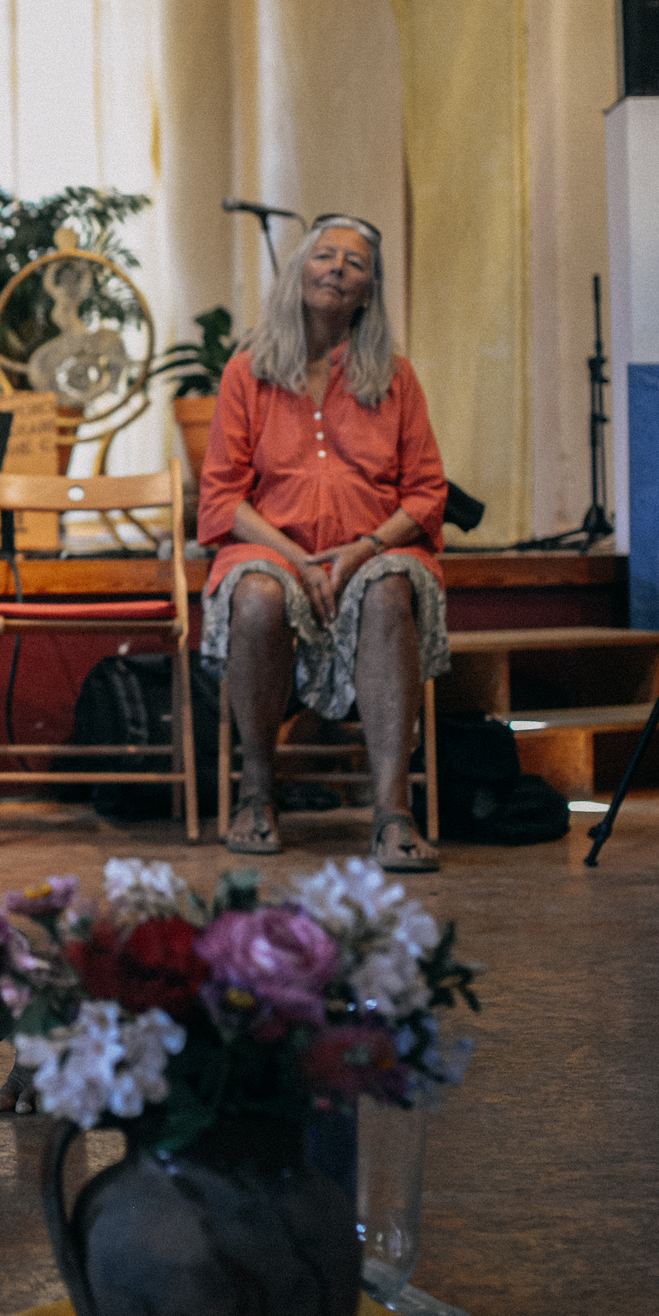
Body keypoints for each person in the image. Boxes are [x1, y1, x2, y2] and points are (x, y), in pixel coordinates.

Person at [198, 215, 447, 872]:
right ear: (299, 273)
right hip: (271, 549)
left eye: (355, 263)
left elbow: (426, 494)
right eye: (325, 255)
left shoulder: (396, 377)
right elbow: (222, 496)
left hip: (374, 548)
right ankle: (256, 793)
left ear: (368, 292)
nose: (337, 267)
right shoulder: (247, 371)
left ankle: (392, 811)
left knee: (390, 589)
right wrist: (295, 558)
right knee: (257, 595)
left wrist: (362, 549)